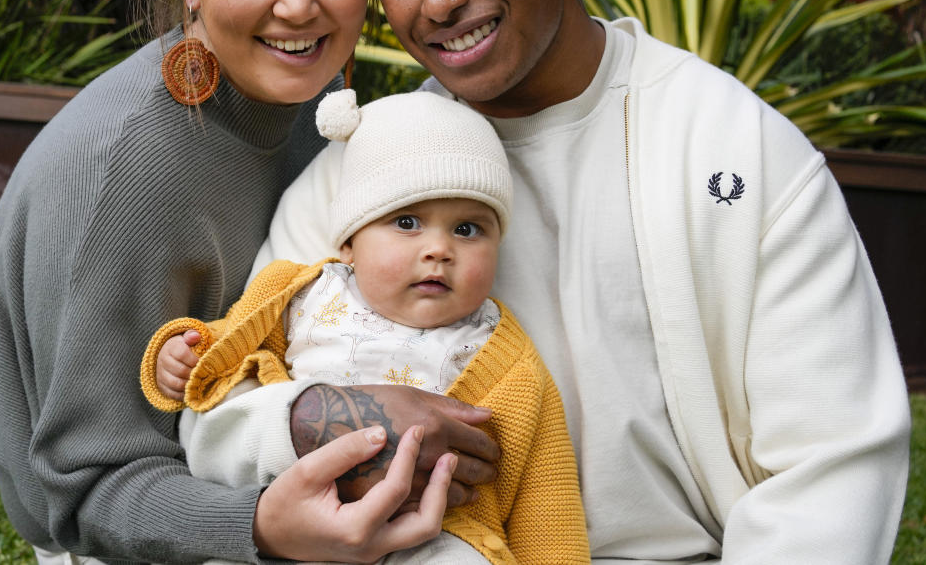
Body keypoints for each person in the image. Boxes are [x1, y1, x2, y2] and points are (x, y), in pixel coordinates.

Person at [185, 0, 912, 563]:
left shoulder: (735, 152)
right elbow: (220, 405)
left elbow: (830, 471)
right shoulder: (371, 163)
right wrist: (317, 414)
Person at [0, 0, 465, 565]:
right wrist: (263, 528)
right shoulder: (122, 174)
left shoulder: (315, 93)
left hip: (269, 462)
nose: (299, 6)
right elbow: (84, 488)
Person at [142, 89, 590, 565]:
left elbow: (546, 495)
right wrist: (185, 353)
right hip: (301, 513)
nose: (439, 249)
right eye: (408, 221)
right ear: (350, 243)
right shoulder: (298, 294)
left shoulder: (502, 356)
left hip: (435, 532)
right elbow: (229, 358)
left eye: (467, 229)